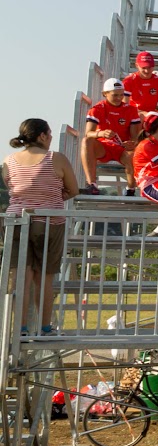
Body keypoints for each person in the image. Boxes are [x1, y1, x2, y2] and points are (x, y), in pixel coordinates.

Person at [4, 119, 78, 334]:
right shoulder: (56, 159)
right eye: (50, 133)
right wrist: (53, 196)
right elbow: (73, 190)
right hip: (49, 222)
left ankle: (20, 329)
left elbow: (13, 188)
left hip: (16, 221)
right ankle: (44, 327)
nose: (51, 137)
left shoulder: (9, 160)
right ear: (42, 136)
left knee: (20, 278)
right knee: (44, 278)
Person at [80, 77, 138, 192]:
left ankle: (131, 189)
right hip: (103, 147)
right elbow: (88, 133)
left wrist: (132, 143)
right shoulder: (97, 109)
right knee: (86, 141)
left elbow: (135, 136)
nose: (119, 98)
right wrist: (101, 133)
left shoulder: (131, 110)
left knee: (132, 155)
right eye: (115, 95)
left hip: (122, 148)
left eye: (121, 95)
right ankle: (92, 184)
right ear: (105, 94)